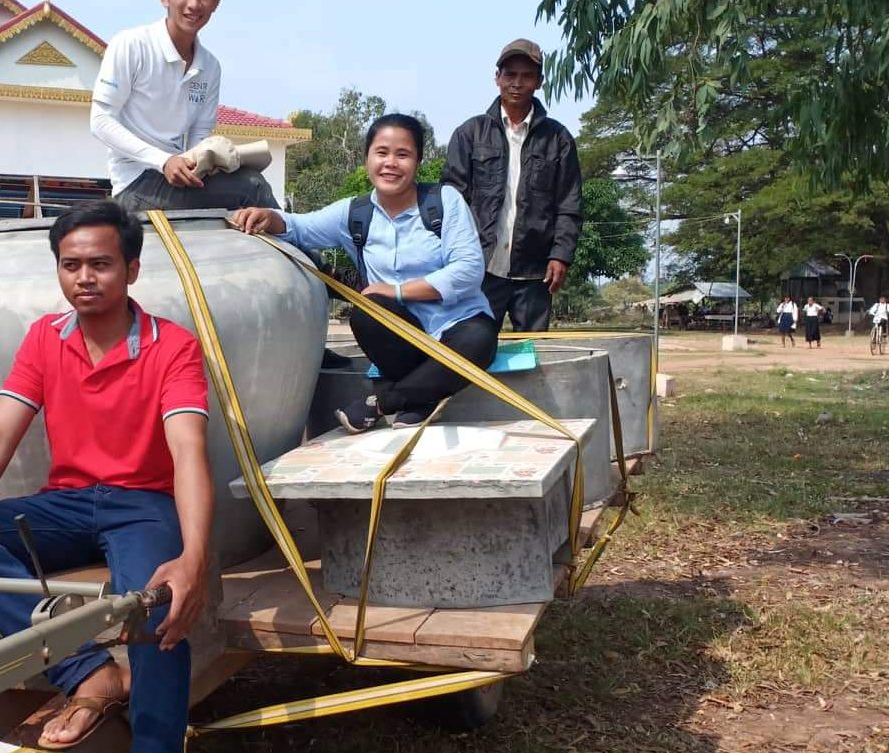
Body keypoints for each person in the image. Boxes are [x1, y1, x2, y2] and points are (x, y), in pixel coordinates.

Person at [0, 201, 212, 753]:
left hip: (142, 505)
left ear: (132, 270)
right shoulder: (44, 338)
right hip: (69, 503)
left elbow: (187, 451)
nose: (85, 278)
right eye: (71, 264)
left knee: (154, 604)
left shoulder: (171, 346)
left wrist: (195, 558)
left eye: (101, 264)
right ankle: (88, 670)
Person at [234, 114, 496, 432]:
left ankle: (384, 402)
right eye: (382, 152)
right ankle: (421, 398)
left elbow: (469, 270)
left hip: (457, 324)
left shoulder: (444, 202)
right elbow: (299, 227)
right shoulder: (355, 213)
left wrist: (397, 290)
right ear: (367, 157)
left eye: (403, 154)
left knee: (480, 341)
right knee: (366, 316)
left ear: (418, 161)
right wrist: (267, 217)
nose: (391, 163)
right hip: (400, 335)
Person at [441, 38, 583, 332]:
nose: (517, 83)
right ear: (497, 78)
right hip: (479, 270)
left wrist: (561, 254)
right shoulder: (469, 134)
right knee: (471, 349)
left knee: (531, 356)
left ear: (539, 82)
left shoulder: (558, 139)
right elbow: (452, 202)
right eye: (510, 75)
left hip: (534, 273)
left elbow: (569, 204)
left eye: (527, 75)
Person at [90, 0, 279, 213]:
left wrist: (203, 163)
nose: (194, 5)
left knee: (246, 181)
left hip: (180, 176)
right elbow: (100, 121)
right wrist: (164, 161)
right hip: (135, 184)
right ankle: (300, 241)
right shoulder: (131, 45)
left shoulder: (210, 66)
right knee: (253, 187)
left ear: (216, 4)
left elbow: (199, 133)